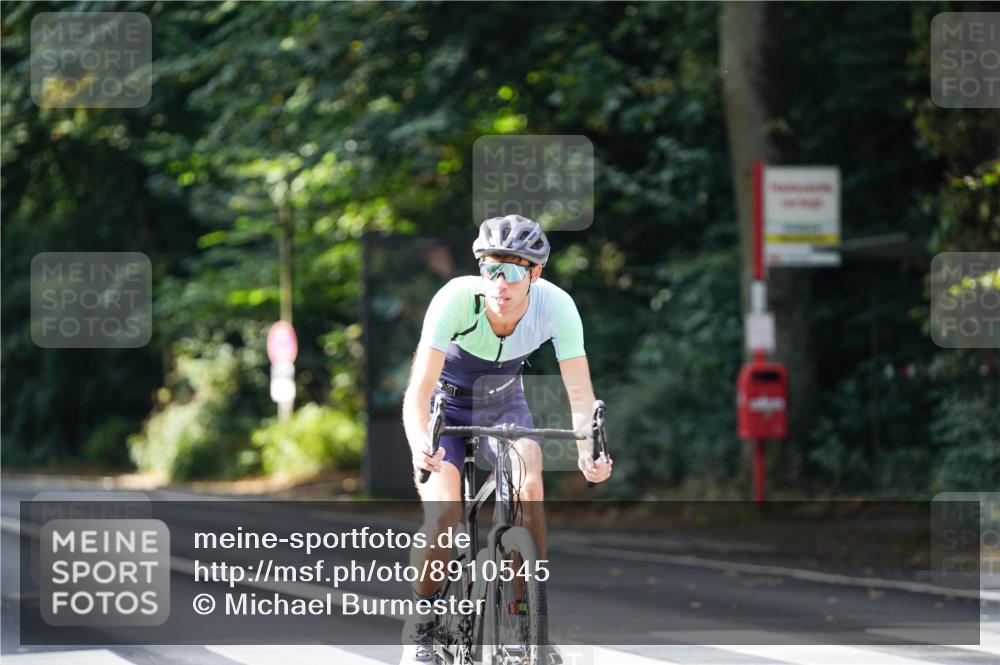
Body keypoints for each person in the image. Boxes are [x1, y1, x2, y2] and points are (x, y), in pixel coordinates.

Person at [399, 214, 613, 663]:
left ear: (535, 274)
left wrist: (588, 452)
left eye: (513, 270)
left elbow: (579, 393)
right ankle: (422, 622)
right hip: (447, 407)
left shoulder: (556, 306)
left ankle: (525, 620)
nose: (500, 282)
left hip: (504, 403)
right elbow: (418, 391)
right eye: (490, 268)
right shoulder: (455, 300)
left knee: (530, 490)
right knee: (444, 515)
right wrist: (421, 440)